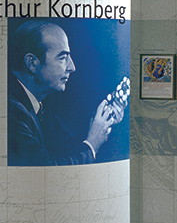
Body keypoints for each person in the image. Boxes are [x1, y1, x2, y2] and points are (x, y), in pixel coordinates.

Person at [7, 20, 117, 166]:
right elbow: (44, 170)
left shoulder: (37, 103)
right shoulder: (12, 113)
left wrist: (100, 124)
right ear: (32, 63)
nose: (72, 67)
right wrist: (92, 144)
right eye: (63, 58)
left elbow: (64, 147)